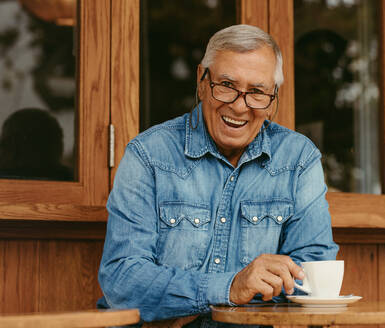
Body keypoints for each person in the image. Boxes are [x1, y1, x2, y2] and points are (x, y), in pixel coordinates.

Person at [98, 24, 339, 326]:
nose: (239, 106)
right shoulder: (149, 155)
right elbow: (122, 281)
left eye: (257, 92)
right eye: (226, 85)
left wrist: (190, 303)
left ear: (273, 98)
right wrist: (228, 287)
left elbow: (312, 274)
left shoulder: (298, 159)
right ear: (202, 80)